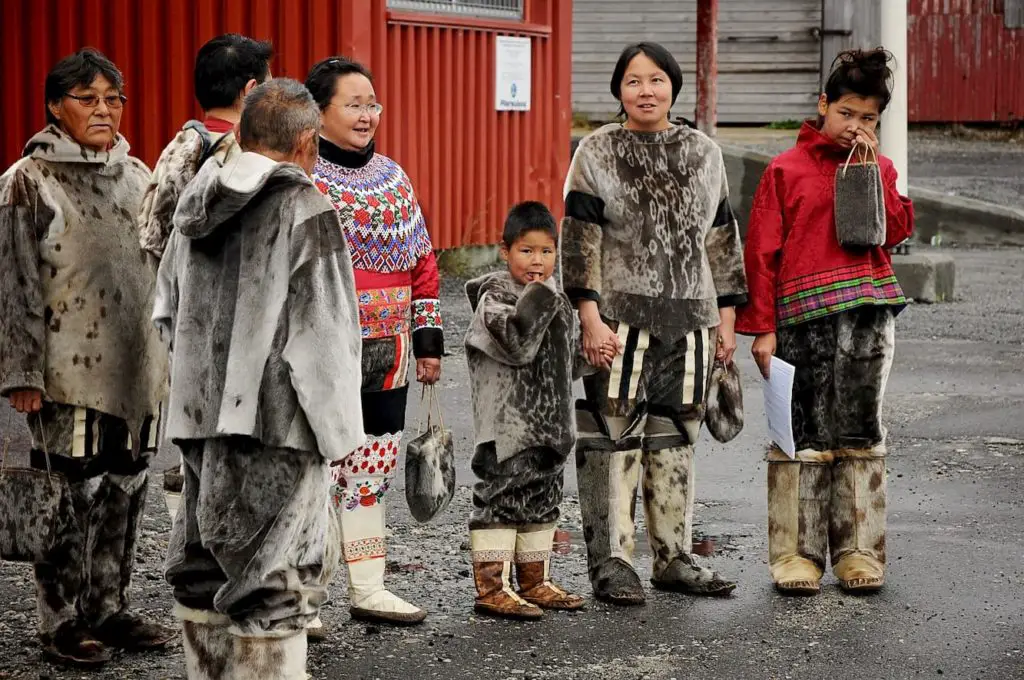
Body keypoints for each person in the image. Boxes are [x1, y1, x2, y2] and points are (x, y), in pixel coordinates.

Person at [156, 78, 364, 678]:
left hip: (199, 419)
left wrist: (195, 393)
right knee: (277, 581)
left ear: (243, 135)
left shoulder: (196, 202)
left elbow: (165, 307)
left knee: (203, 565)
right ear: (306, 142)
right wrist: (339, 435)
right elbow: (325, 338)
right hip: (277, 426)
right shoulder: (305, 208)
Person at [0, 48, 174, 666]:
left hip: (138, 368)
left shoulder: (139, 176)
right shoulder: (28, 180)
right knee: (68, 495)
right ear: (55, 106)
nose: (103, 109)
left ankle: (110, 604)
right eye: (86, 98)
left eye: (112, 98)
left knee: (126, 488)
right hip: (66, 375)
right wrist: (21, 373)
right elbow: (15, 285)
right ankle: (61, 622)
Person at [560, 42, 748, 605]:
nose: (647, 91)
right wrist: (588, 316)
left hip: (691, 318)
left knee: (676, 439)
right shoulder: (596, 151)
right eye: (634, 81)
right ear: (618, 90)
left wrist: (728, 317)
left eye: (657, 80)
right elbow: (579, 240)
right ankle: (612, 562)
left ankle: (673, 555)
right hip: (618, 321)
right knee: (613, 437)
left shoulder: (703, 152)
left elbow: (722, 237)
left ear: (674, 87)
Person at [736, 48, 914, 596]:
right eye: (847, 114)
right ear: (823, 106)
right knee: (801, 437)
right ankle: (796, 553)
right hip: (799, 323)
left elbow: (896, 230)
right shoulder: (784, 170)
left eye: (868, 119)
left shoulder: (878, 168)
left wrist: (875, 174)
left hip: (867, 316)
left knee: (861, 433)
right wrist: (762, 328)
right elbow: (761, 251)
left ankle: (859, 551)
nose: (855, 127)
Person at [305, 56, 443, 626]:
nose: (367, 115)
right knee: (317, 472)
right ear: (318, 112)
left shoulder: (393, 176)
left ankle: (368, 587)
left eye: (372, 104)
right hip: (323, 351)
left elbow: (423, 262)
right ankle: (305, 598)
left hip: (389, 352)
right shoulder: (302, 176)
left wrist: (428, 339)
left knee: (372, 468)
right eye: (353, 104)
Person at [463, 202, 586, 620]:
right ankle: (492, 587)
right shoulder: (494, 299)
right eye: (527, 251)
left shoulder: (557, 298)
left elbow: (565, 361)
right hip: (509, 426)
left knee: (543, 498)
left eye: (547, 252)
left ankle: (534, 580)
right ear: (505, 251)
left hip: (551, 426)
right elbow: (518, 344)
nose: (538, 261)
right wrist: (543, 297)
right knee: (502, 498)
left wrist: (596, 352)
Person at [139, 33, 273, 260]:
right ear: (251, 90)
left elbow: (153, 240)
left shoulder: (176, 148)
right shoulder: (252, 158)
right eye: (269, 89)